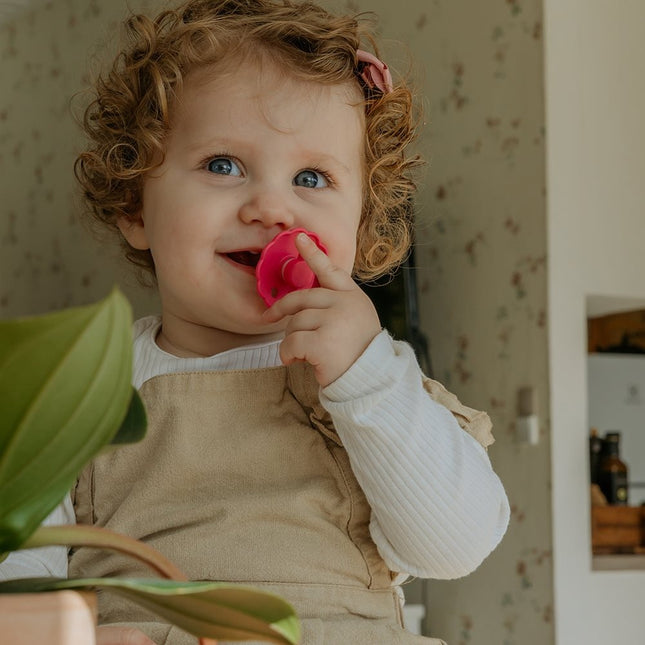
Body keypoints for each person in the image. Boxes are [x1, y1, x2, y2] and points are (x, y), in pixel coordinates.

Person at [0, 1, 510, 643]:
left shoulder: (373, 382)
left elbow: (453, 548)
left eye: (311, 177)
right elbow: (21, 563)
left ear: (360, 224)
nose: (273, 206)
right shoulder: (78, 387)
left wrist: (368, 377)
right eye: (223, 165)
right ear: (135, 205)